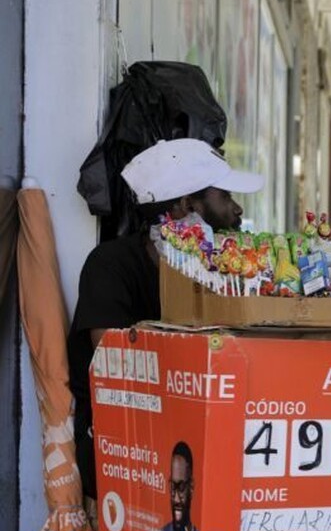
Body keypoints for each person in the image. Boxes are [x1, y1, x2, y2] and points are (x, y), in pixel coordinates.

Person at [68, 138, 262, 498]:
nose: (236, 210)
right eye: (225, 197)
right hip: (125, 452)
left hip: (190, 441)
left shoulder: (220, 273)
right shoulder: (111, 266)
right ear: (187, 207)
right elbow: (116, 366)